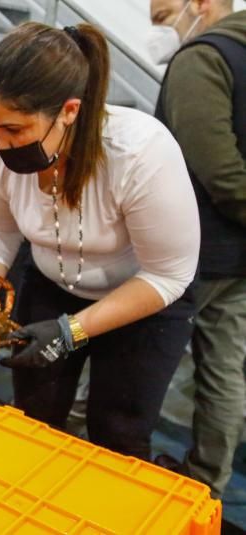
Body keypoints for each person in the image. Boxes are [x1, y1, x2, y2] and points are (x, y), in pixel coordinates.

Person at [0, 22, 199, 460]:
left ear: (69, 111)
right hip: (51, 287)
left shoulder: (139, 152)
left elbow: (168, 274)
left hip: (143, 303)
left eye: (15, 129)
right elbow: (1, 229)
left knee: (117, 431)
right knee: (35, 415)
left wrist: (71, 332)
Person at [148, 0, 246, 498]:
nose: (163, 32)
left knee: (137, 357)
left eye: (164, 17)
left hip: (197, 252)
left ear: (202, 4)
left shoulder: (204, 59)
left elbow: (221, 173)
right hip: (239, 256)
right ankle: (209, 482)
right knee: (225, 367)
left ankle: (109, 458)